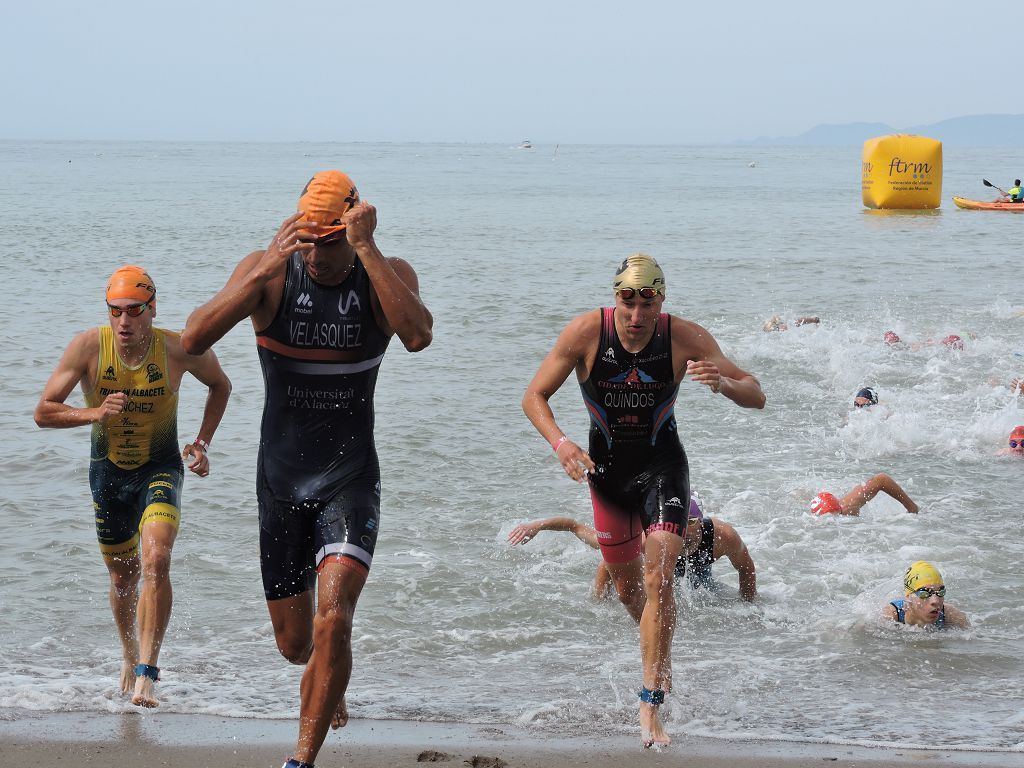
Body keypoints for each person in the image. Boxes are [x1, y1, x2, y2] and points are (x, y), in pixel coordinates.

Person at [180, 171, 432, 768]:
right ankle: (327, 674)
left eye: (330, 240)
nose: (316, 255)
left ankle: (301, 758)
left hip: (350, 477)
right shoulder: (270, 271)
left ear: (352, 226)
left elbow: (418, 336)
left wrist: (367, 249)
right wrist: (267, 265)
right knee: (297, 646)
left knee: (334, 616)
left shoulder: (384, 273)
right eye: (309, 240)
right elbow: (193, 338)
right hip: (281, 480)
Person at [522, 253, 765, 748]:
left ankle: (649, 701)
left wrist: (723, 386)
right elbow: (534, 397)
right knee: (632, 592)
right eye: (627, 302)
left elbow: (756, 392)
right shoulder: (586, 333)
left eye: (647, 303)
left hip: (664, 470)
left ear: (661, 301)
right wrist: (562, 444)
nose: (636, 317)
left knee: (659, 576)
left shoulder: (684, 337)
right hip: (607, 478)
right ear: (616, 299)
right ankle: (662, 661)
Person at [34, 265, 231, 708]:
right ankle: (127, 655)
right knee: (122, 577)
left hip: (159, 469)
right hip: (107, 475)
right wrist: (94, 413)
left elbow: (221, 386)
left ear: (151, 309)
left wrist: (201, 443)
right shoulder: (88, 347)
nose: (124, 322)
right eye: (116, 312)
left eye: (134, 311)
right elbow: (44, 411)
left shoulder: (179, 348)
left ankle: (147, 672)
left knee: (157, 557)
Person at [508, 492, 757, 601]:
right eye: (678, 522)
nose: (684, 529)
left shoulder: (721, 536)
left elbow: (746, 568)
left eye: (691, 522)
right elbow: (607, 563)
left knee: (709, 595)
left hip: (698, 576)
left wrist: (748, 605)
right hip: (657, 569)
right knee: (603, 544)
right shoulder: (652, 539)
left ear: (700, 521)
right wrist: (599, 602)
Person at [883, 561, 969, 629]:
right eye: (924, 593)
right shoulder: (890, 616)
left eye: (940, 592)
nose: (935, 601)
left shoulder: (953, 616)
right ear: (908, 597)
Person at [810, 473, 919, 516]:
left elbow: (881, 479)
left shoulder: (848, 507)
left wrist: (911, 507)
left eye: (836, 515)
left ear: (839, 509)